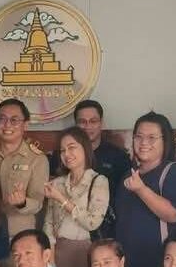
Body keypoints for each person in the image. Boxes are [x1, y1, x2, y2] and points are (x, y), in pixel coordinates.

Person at [115, 112, 176, 267]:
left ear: (165, 141)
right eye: (139, 137)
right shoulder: (128, 175)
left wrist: (141, 189)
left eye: (151, 138)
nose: (144, 143)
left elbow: (173, 214)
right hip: (128, 266)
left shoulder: (174, 171)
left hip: (159, 266)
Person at [48, 99, 131, 238]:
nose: (87, 126)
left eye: (93, 121)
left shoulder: (118, 156)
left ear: (101, 123)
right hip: (66, 231)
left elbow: (125, 197)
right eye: (82, 122)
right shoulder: (62, 156)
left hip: (105, 229)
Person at [43, 126, 109, 267]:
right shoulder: (57, 183)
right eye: (62, 150)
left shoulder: (98, 181)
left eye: (72, 147)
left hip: (85, 252)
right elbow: (48, 223)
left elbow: (92, 223)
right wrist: (51, 258)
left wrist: (62, 199)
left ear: (85, 148)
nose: (66, 154)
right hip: (57, 251)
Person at [0, 98, 48, 240]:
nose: (7, 125)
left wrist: (22, 202)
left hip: (18, 235)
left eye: (14, 120)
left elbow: (38, 203)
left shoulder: (37, 159)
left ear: (25, 125)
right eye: (2, 119)